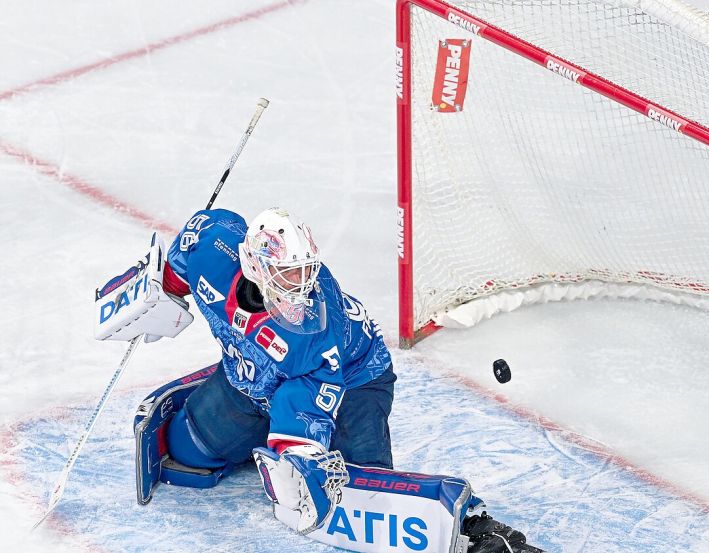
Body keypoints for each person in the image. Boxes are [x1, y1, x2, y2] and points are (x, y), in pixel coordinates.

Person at [97, 207, 541, 553]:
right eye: (288, 274)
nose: (302, 284)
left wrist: (297, 454)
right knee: (185, 455)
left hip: (352, 381)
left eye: (305, 270)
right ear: (253, 267)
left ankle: (470, 531)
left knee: (364, 496)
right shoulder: (212, 247)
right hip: (248, 380)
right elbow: (187, 254)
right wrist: (159, 292)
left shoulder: (314, 334)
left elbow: (303, 404)